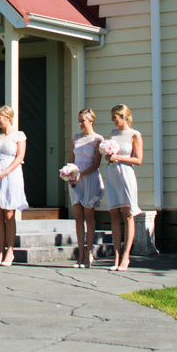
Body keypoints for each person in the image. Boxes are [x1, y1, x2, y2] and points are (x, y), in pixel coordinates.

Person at [0, 105, 28, 267]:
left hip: (12, 174)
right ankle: (0, 251)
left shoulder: (19, 135)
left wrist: (4, 172)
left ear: (8, 118)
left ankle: (10, 251)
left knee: (9, 213)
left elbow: (19, 157)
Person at [104, 104, 143, 271]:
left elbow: (138, 159)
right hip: (112, 173)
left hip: (126, 174)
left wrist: (119, 157)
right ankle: (116, 255)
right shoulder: (112, 134)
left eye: (115, 117)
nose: (113, 120)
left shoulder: (134, 135)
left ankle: (126, 255)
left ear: (124, 117)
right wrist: (108, 156)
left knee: (127, 214)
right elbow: (108, 154)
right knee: (114, 213)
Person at [67, 108, 104, 268]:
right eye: (79, 120)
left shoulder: (98, 139)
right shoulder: (75, 139)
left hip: (89, 178)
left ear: (91, 121)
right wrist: (69, 174)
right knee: (78, 216)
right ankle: (80, 253)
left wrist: (82, 173)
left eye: (83, 120)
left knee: (89, 215)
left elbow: (96, 164)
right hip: (76, 180)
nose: (80, 123)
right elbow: (71, 159)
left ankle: (89, 252)